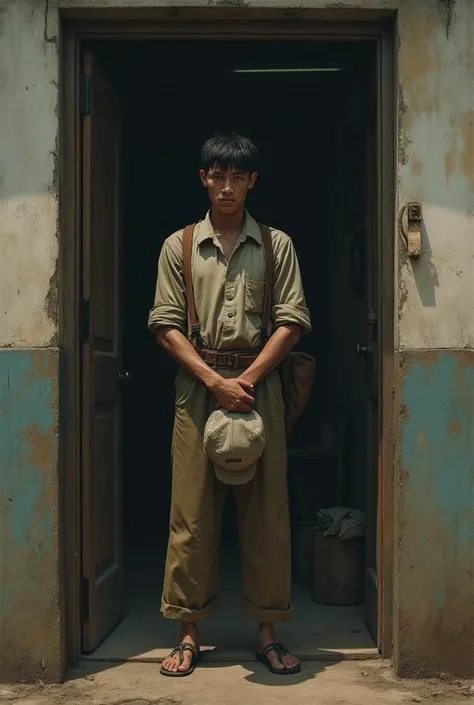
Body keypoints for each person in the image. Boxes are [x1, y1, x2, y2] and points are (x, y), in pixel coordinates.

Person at [148, 132, 311, 677]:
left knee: (266, 513)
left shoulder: (277, 244)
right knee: (191, 514)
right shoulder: (180, 244)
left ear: (252, 181)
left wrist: (247, 379)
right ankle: (189, 633)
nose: (226, 186)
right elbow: (166, 326)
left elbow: (291, 320)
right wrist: (214, 383)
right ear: (203, 179)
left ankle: (267, 632)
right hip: (197, 387)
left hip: (258, 385)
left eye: (237, 176)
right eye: (217, 176)